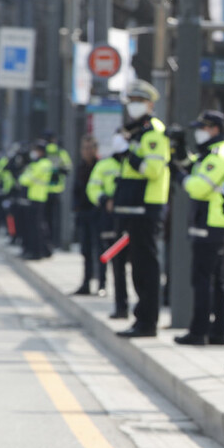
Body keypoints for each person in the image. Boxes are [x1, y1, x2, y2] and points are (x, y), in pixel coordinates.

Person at [113, 80, 171, 338]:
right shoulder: (138, 131)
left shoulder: (154, 133)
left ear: (150, 104)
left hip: (147, 206)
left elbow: (153, 170)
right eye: (131, 102)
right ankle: (142, 318)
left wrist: (129, 153)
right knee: (137, 265)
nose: (133, 107)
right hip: (134, 207)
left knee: (146, 266)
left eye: (138, 102)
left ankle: (148, 322)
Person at [173, 110, 224, 346]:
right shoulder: (212, 153)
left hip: (211, 223)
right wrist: (180, 148)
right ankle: (218, 332)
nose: (199, 132)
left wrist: (179, 177)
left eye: (203, 128)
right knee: (216, 281)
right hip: (213, 223)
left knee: (202, 279)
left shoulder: (219, 155)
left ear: (215, 129)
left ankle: (199, 331)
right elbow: (193, 165)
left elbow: (200, 187)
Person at [88, 133, 131, 319]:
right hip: (110, 217)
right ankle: (111, 293)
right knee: (111, 258)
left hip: (132, 217)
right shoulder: (104, 165)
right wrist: (104, 199)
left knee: (135, 263)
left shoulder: (132, 163)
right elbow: (93, 188)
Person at [71, 135, 103, 296]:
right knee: (86, 250)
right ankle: (86, 283)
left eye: (90, 148)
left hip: (97, 214)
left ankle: (102, 284)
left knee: (100, 249)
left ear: (96, 150)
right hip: (83, 214)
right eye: (84, 148)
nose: (86, 151)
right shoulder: (80, 167)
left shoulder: (101, 166)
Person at [17, 140, 55, 261]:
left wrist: (25, 176)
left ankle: (38, 252)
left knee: (36, 228)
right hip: (32, 198)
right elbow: (23, 177)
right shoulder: (35, 164)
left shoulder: (44, 164)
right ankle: (32, 251)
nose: (34, 152)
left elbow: (26, 179)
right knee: (30, 227)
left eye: (36, 150)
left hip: (38, 198)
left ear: (41, 151)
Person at [44, 130, 73, 246]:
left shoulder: (43, 151)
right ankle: (54, 242)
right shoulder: (61, 152)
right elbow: (68, 169)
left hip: (42, 191)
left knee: (44, 220)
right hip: (57, 190)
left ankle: (46, 243)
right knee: (55, 219)